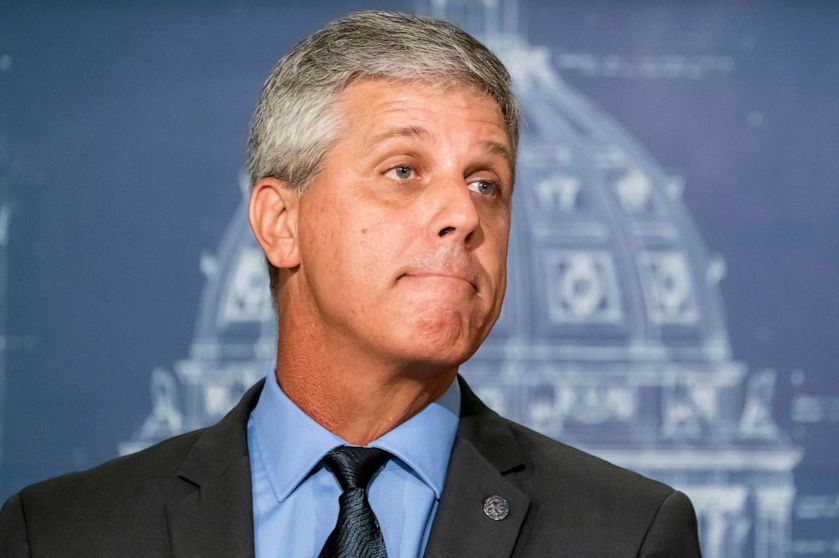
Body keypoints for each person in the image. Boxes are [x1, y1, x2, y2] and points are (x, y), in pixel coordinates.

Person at [0, 11, 701, 557]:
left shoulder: (628, 535)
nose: (463, 214)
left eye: (486, 183)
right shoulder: (63, 534)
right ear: (281, 222)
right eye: (404, 170)